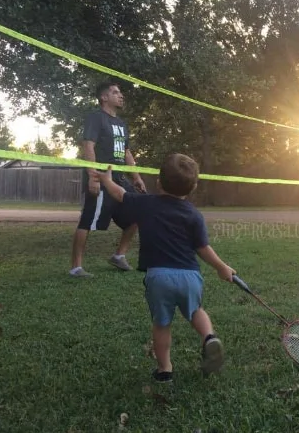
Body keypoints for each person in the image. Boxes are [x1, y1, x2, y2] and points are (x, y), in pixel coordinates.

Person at [97, 153, 236, 381]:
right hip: (190, 276)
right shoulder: (194, 214)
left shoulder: (146, 204)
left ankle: (165, 370)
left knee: (162, 324)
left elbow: (119, 194)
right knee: (195, 311)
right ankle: (209, 338)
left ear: (159, 182)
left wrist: (106, 179)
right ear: (192, 188)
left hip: (159, 277)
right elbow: (203, 248)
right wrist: (222, 267)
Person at [69, 82, 147, 278]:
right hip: (102, 177)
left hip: (120, 179)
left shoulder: (121, 124)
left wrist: (136, 177)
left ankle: (119, 256)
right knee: (87, 220)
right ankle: (76, 267)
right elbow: (88, 146)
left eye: (120, 92)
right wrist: (93, 176)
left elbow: (126, 151)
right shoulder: (96, 118)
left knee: (138, 213)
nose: (121, 95)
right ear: (104, 97)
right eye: (115, 92)